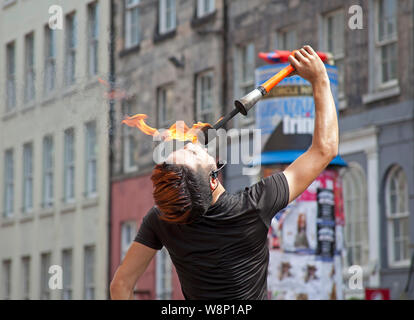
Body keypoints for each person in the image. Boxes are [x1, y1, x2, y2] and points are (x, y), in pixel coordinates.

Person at [110, 45, 339, 300]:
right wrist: (320, 80)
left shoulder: (164, 218)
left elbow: (120, 286)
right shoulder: (253, 207)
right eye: (193, 153)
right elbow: (324, 150)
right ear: (212, 179)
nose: (191, 143)